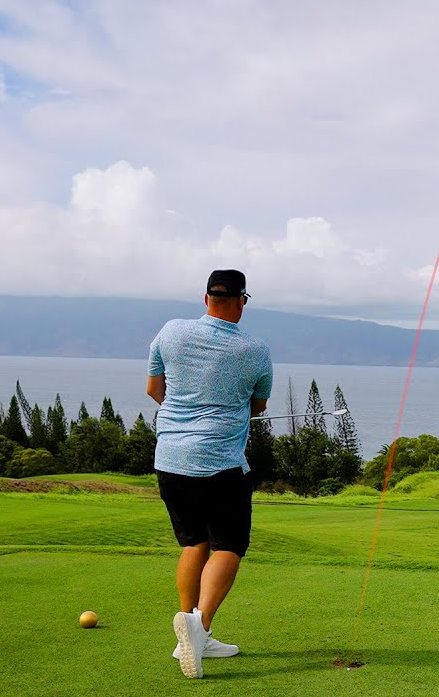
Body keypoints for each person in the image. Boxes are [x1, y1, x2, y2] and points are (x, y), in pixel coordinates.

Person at [146, 269, 273, 679]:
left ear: (206, 299)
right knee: (228, 546)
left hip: (170, 460)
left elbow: (154, 389)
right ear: (242, 301)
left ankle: (189, 629)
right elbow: (258, 407)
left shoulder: (170, 332)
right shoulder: (255, 350)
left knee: (193, 543)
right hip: (220, 464)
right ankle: (199, 629)